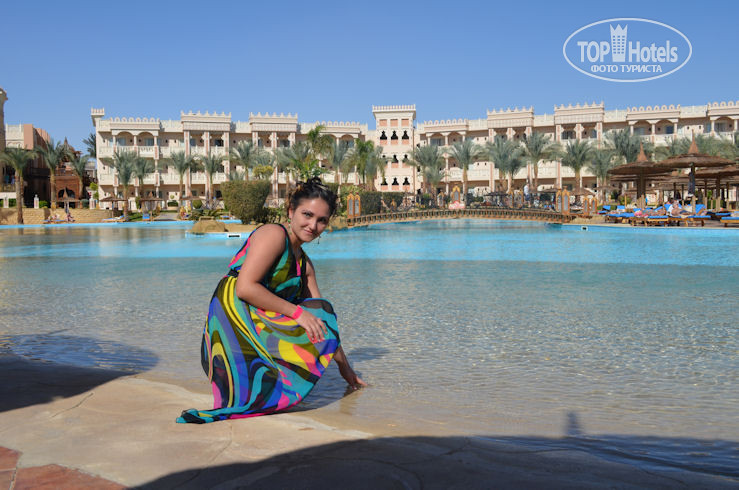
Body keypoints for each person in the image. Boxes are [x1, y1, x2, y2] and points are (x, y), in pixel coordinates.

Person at [178, 178, 365, 424]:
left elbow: (323, 321)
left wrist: (345, 368)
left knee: (322, 310)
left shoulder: (305, 265)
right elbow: (245, 288)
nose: (313, 225)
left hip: (259, 318)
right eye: (307, 215)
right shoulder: (273, 235)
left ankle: (268, 380)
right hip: (232, 319)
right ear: (291, 211)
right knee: (260, 396)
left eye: (322, 220)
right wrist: (297, 313)